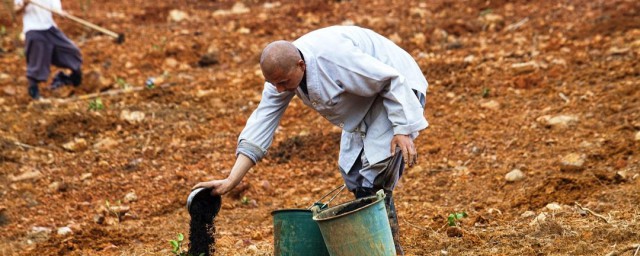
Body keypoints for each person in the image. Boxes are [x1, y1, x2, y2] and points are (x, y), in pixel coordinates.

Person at [193, 25, 428, 255]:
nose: (279, 89)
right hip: (363, 101)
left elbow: (390, 79)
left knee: (375, 174)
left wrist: (401, 127)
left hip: (399, 89)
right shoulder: (280, 77)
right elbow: (262, 124)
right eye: (273, 83)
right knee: (355, 176)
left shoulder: (335, 59)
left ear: (301, 65)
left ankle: (388, 250)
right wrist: (232, 179)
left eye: (283, 82)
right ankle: (377, 246)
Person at [14, 0, 82, 100]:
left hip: (50, 28)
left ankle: (71, 79)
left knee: (72, 51)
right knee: (37, 59)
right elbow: (16, 11)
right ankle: (33, 89)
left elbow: (55, 9)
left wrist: (60, 13)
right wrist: (25, 3)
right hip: (33, 29)